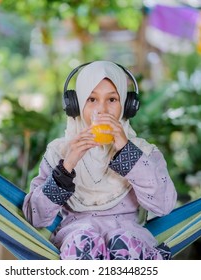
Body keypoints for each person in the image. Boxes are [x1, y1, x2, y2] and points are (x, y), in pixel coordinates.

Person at [22, 60, 177, 260]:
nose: (102, 110)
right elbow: (36, 217)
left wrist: (126, 150)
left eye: (112, 99)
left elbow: (164, 206)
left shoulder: (144, 151)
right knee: (81, 243)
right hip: (76, 236)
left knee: (125, 243)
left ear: (127, 105)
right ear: (76, 105)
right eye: (91, 99)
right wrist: (67, 166)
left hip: (129, 235)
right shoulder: (59, 151)